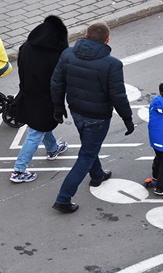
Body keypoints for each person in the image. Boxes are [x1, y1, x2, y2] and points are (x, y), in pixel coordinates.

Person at [50, 21, 135, 213]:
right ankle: (64, 198)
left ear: (85, 35)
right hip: (98, 117)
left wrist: (57, 106)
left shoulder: (67, 54)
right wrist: (127, 119)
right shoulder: (112, 64)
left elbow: (56, 83)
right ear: (107, 40)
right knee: (87, 154)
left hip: (76, 110)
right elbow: (118, 96)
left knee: (89, 146)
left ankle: (97, 174)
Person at [10, 16, 70, 183]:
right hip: (45, 99)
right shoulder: (56, 56)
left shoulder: (26, 47)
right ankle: (19, 170)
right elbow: (59, 82)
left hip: (27, 94)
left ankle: (52, 149)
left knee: (41, 125)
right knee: (36, 132)